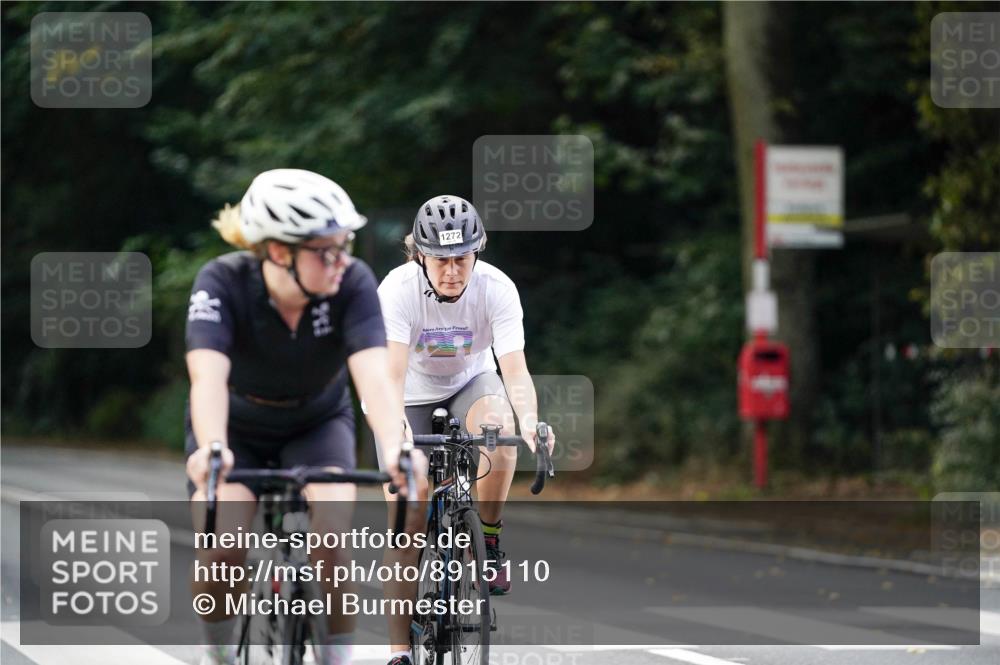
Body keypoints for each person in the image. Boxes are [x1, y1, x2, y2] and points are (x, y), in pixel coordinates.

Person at [184, 168, 425, 665]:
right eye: (326, 250)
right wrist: (211, 448)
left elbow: (375, 379)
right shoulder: (222, 282)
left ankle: (336, 659)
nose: (342, 261)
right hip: (236, 427)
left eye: (347, 245)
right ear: (278, 251)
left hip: (317, 422)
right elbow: (206, 379)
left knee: (333, 541)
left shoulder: (352, 283)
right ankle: (218, 654)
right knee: (225, 547)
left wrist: (399, 448)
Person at [373, 195, 555, 665]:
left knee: (500, 430)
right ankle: (398, 652)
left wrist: (532, 422)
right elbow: (388, 377)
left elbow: (514, 371)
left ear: (478, 251)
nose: (452, 271)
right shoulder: (397, 290)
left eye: (462, 259)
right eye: (440, 260)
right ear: (419, 255)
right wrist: (398, 438)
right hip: (407, 393)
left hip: (471, 382)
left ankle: (488, 537)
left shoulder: (497, 288)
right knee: (407, 518)